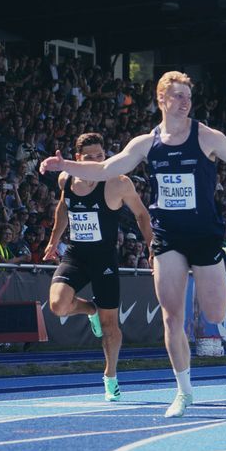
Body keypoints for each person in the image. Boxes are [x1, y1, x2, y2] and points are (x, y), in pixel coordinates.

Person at [39, 70, 226, 418]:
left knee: (215, 312)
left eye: (188, 97)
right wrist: (64, 164)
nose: (185, 102)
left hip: (204, 235)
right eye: (178, 96)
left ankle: (218, 287)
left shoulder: (207, 137)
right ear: (162, 100)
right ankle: (183, 391)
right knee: (171, 315)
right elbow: (105, 168)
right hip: (166, 237)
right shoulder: (146, 143)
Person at [45, 131, 154, 402]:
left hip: (104, 260)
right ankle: (88, 308)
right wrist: (52, 241)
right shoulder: (66, 178)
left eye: (100, 157)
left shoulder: (118, 183)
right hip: (76, 255)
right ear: (78, 159)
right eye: (89, 158)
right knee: (58, 305)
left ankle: (110, 376)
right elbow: (63, 208)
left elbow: (141, 214)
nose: (96, 162)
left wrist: (152, 246)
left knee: (110, 325)